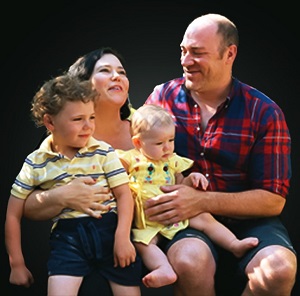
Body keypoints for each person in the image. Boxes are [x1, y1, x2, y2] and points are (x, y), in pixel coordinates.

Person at [144, 13, 297, 295]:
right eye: (183, 51)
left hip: (251, 222)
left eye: (197, 53)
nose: (186, 61)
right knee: (189, 260)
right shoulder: (162, 98)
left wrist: (201, 200)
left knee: (279, 269)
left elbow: (273, 201)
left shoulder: (264, 112)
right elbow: (135, 154)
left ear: (229, 54)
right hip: (187, 223)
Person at [5, 74, 141, 296]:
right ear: (50, 122)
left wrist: (122, 237)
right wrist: (16, 264)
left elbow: (124, 195)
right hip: (68, 240)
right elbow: (13, 213)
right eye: (78, 119)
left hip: (109, 230)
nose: (88, 127)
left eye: (92, 117)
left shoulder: (103, 152)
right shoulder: (36, 162)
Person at [117, 104, 259, 289]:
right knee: (142, 243)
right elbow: (116, 181)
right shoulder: (131, 160)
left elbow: (180, 184)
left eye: (171, 140)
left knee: (204, 218)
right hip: (147, 219)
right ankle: (163, 268)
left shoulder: (172, 161)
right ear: (138, 143)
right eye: (159, 143)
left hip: (177, 212)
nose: (167, 148)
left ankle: (234, 244)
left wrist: (192, 178)